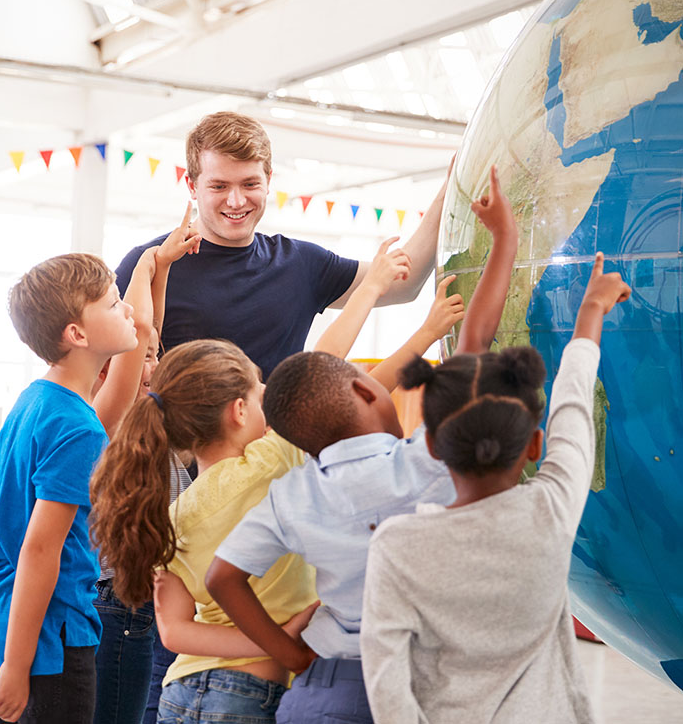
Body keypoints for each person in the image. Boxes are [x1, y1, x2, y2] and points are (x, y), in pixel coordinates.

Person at [90, 238, 462, 723]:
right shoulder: (270, 464)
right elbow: (332, 380)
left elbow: (175, 632)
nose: (275, 397)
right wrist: (402, 315)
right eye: (262, 389)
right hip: (248, 694)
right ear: (239, 411)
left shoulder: (169, 510)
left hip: (180, 692)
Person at [204, 165, 517, 724]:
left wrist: (292, 653)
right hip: (415, 687)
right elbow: (476, 343)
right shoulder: (426, 458)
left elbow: (221, 578)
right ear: (365, 391)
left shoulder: (290, 493)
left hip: (321, 689)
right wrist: (504, 239)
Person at [360, 254, 630, 724]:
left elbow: (387, 687)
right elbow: (572, 404)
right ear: (534, 446)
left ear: (432, 445)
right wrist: (590, 313)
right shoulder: (549, 510)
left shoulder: (396, 546)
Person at [114, 111, 451, 379]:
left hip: (278, 459)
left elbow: (404, 284)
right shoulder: (151, 265)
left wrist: (452, 186)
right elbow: (107, 373)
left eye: (249, 184)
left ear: (269, 180)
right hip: (175, 463)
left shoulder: (300, 263)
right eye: (219, 186)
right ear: (192, 185)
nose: (236, 200)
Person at [0, 253, 138, 724]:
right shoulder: (77, 428)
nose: (126, 312)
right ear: (77, 334)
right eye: (113, 303)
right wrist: (18, 666)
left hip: (1, 621)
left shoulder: (38, 399)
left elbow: (123, 379)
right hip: (45, 642)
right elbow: (40, 550)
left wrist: (153, 270)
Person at [90, 206, 201, 724]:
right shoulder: (111, 418)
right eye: (142, 358)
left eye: (156, 356)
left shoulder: (150, 414)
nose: (152, 365)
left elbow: (149, 329)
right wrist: (144, 265)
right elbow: (138, 329)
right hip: (120, 602)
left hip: (148, 595)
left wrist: (165, 269)